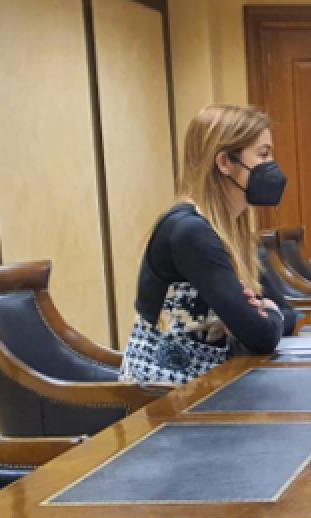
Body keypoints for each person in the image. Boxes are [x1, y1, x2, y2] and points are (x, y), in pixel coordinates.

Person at [120, 104, 296, 385]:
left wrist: (267, 314)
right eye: (263, 155)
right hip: (165, 397)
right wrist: (265, 313)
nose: (271, 165)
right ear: (225, 162)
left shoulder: (231, 229)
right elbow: (261, 335)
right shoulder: (190, 231)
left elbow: (286, 314)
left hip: (212, 382)